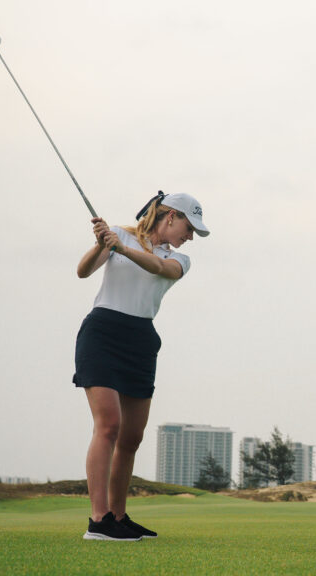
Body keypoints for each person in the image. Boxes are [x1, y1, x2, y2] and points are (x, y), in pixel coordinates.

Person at [73, 191, 209, 541]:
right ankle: (99, 520)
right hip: (103, 333)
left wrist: (121, 248)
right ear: (170, 216)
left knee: (132, 437)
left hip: (140, 339)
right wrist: (102, 244)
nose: (190, 236)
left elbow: (159, 268)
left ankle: (118, 516)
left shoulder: (178, 259)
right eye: (189, 227)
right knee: (109, 425)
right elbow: (83, 271)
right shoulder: (119, 235)